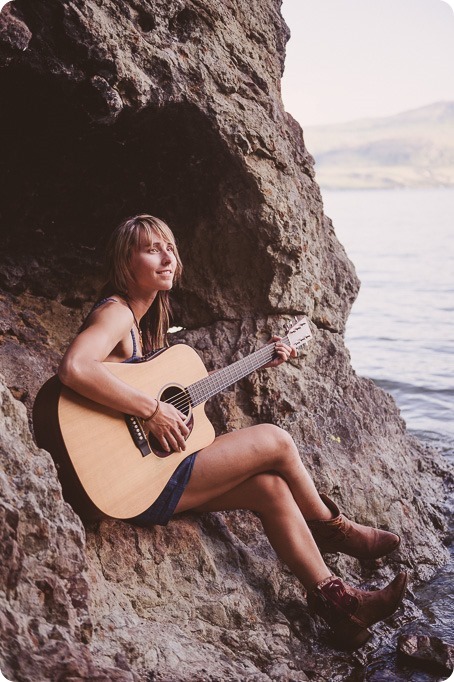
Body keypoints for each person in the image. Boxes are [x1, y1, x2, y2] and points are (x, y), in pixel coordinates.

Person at [58, 214, 407, 651]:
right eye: (152, 249)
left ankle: (341, 606)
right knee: (276, 441)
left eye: (170, 247)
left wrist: (258, 360)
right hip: (125, 484)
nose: (168, 257)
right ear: (126, 264)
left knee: (271, 489)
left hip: (136, 484)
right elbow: (75, 368)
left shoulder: (145, 328)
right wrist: (152, 410)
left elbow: (177, 393)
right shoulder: (116, 311)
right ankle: (334, 529)